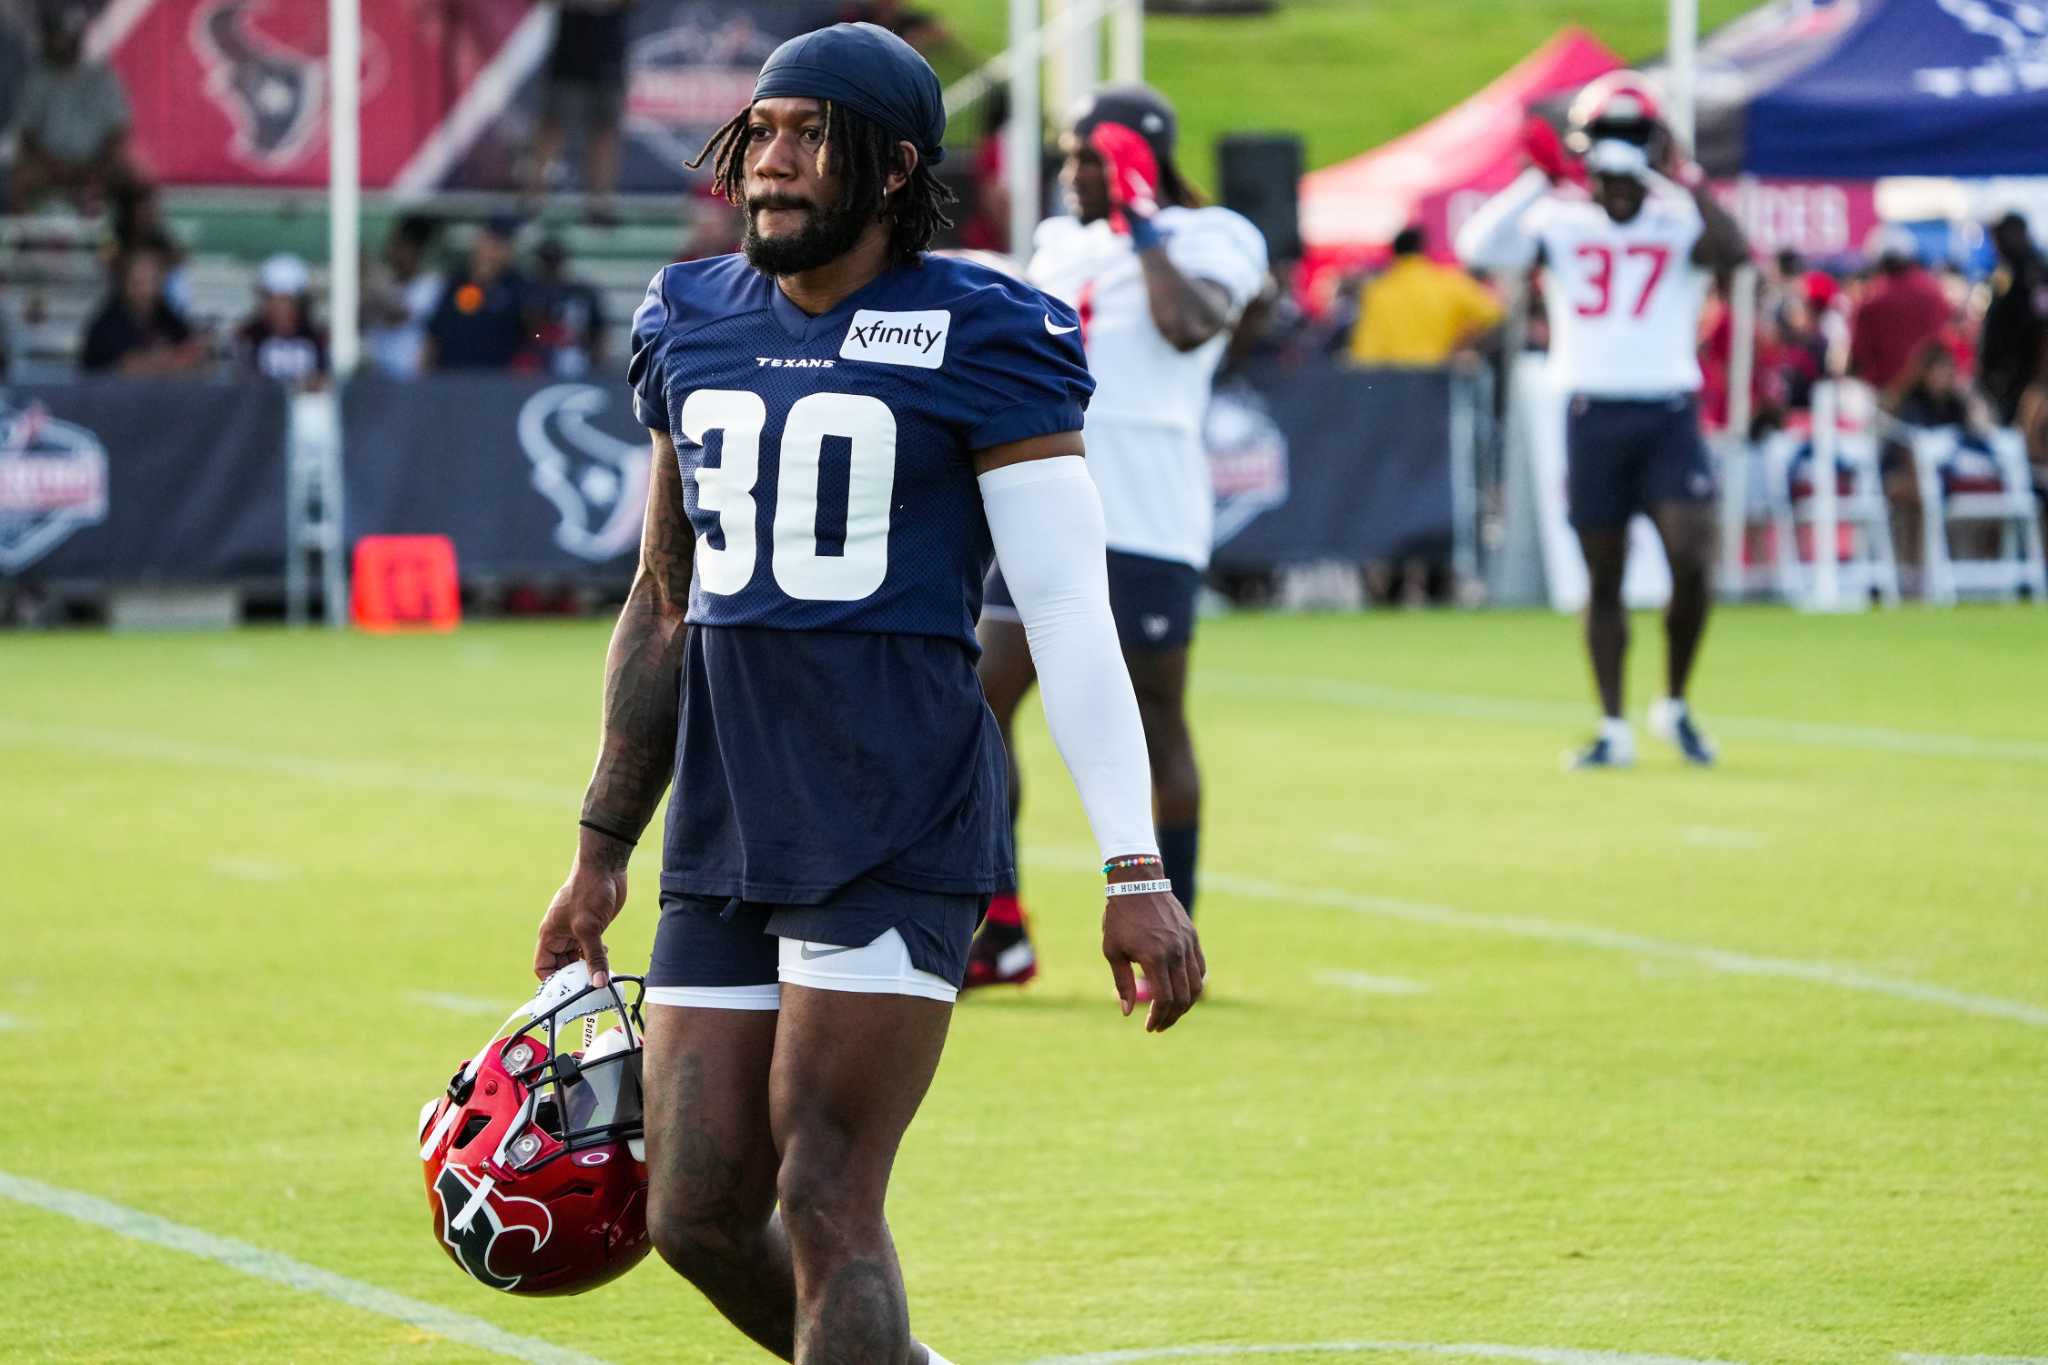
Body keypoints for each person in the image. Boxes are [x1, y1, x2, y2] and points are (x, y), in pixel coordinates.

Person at [530, 24, 1204, 1365]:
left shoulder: (986, 327)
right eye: (758, 134)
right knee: (699, 1210)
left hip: (893, 812)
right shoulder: (693, 314)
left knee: (827, 1195)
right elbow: (666, 597)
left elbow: (1067, 609)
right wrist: (602, 845)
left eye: (804, 136)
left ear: (892, 169)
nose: (767, 165)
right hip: (727, 816)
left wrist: (1134, 865)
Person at [965, 84, 1267, 989]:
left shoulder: (1217, 236)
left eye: (1086, 158)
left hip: (1147, 514)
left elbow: (1185, 327)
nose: (1069, 176)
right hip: (1045, 504)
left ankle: (1177, 934)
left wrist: (1142, 223)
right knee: (974, 705)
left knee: (1157, 719)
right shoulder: (1060, 244)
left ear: (1137, 157)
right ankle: (1002, 926)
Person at [1456, 84, 1749, 769]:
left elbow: (1735, 254)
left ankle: (1673, 700)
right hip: (1592, 411)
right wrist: (1539, 177)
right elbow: (1477, 243)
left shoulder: (1678, 213)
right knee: (1605, 574)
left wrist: (1686, 175)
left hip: (1668, 407)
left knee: (1693, 559)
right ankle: (1614, 723)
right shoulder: (1557, 216)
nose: (1618, 190)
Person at [6, 0, 144, 214]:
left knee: (138, 183)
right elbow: (27, 134)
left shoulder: (102, 76)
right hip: (49, 165)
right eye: (59, 35)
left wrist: (97, 166)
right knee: (18, 180)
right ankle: (26, 243)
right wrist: (55, 166)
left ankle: (130, 243)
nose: (64, 42)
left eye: (70, 36)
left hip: (97, 163)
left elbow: (119, 131)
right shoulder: (38, 79)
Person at [528, 0, 633, 224]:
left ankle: (600, 204)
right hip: (570, 52)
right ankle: (534, 196)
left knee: (604, 132)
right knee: (552, 127)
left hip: (609, 53)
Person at [1346, 225, 1503, 367]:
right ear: (1423, 250)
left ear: (1394, 254)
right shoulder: (1449, 284)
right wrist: (1463, 344)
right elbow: (1495, 315)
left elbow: (1366, 352)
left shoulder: (1378, 292)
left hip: (1392, 380)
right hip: (1439, 377)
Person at [79, 234, 208, 376]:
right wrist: (168, 360)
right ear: (125, 280)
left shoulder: (165, 314)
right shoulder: (106, 322)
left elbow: (191, 351)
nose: (145, 287)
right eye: (138, 279)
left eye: (151, 277)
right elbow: (128, 367)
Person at [1848, 226, 1954, 394]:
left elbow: (1859, 355)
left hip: (1887, 398)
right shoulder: (1934, 293)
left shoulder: (1871, 301)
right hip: (1932, 394)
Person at [423, 218, 533, 371]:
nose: (493, 251)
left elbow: (534, 333)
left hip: (498, 382)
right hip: (449, 379)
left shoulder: (519, 287)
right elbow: (434, 334)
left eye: (501, 245)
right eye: (490, 242)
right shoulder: (455, 283)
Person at [1978, 211, 2046, 427]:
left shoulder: (2036, 272)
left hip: (2025, 370)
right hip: (2004, 371)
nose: (1995, 243)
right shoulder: (2007, 268)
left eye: (1999, 236)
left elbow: (2042, 325)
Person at [363, 214, 444, 379]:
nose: (395, 254)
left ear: (417, 251)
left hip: (411, 377)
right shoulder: (386, 281)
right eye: (394, 246)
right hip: (377, 374)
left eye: (402, 248)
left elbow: (396, 315)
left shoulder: (430, 285)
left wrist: (372, 276)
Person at [236, 253, 327, 386]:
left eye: (284, 300)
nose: (278, 307)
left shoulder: (317, 337)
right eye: (271, 298)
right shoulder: (249, 336)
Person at [529, 237, 606, 379]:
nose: (550, 267)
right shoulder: (531, 292)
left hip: (578, 359)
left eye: (554, 261)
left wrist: (595, 357)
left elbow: (599, 332)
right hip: (540, 363)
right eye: (547, 262)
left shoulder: (582, 293)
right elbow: (532, 333)